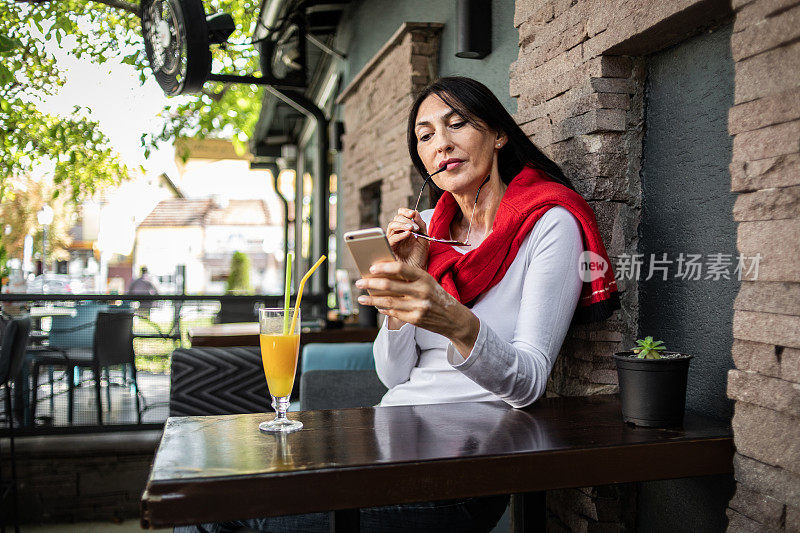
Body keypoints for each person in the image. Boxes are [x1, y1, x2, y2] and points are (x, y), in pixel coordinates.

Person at [176, 77, 618, 533]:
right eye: (425, 136)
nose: (441, 144)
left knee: (219, 519)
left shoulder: (549, 222)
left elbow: (527, 384)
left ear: (499, 134)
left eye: (457, 124)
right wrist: (398, 299)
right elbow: (392, 377)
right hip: (388, 438)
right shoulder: (425, 229)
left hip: (468, 464)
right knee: (203, 498)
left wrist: (455, 322)